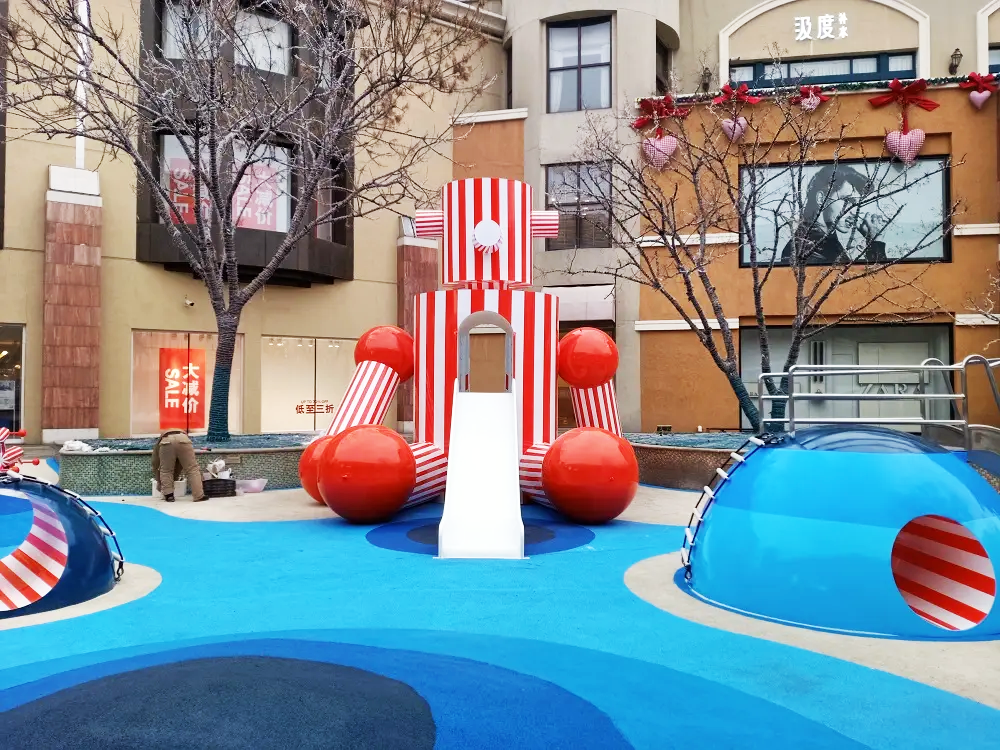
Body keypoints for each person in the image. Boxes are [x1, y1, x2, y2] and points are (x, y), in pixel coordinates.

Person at [778, 164, 887, 265]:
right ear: (821, 199)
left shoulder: (823, 243)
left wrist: (872, 242)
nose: (855, 211)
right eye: (847, 200)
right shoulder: (809, 250)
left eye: (857, 205)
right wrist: (876, 243)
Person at [152, 429, 206, 502]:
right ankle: (198, 496)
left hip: (166, 441)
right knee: (192, 469)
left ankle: (169, 496)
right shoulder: (183, 434)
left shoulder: (160, 440)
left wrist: (158, 480)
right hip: (183, 439)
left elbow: (155, 461)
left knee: (166, 470)